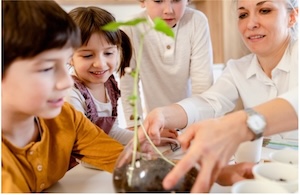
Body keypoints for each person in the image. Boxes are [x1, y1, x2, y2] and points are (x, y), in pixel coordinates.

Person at [141, 0, 298, 192]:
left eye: (264, 10)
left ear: (292, 16)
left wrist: (242, 124)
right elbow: (208, 102)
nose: (251, 24)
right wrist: (164, 115)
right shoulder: (237, 69)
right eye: (243, 15)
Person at [1, 1, 124, 192]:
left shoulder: (65, 117)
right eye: (47, 68)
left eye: (64, 62)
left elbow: (120, 158)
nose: (66, 82)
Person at [65, 6, 178, 146]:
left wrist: (148, 137)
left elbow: (112, 133)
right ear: (68, 55)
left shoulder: (108, 84)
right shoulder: (70, 94)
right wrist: (130, 151)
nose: (100, 64)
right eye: (87, 55)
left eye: (108, 53)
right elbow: (83, 146)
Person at [120, 0, 214, 128]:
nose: (168, 10)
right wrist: (135, 127)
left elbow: (202, 85)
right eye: (158, 1)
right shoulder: (129, 27)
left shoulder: (196, 21)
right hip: (155, 123)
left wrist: (198, 126)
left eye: (176, 0)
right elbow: (128, 85)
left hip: (193, 117)